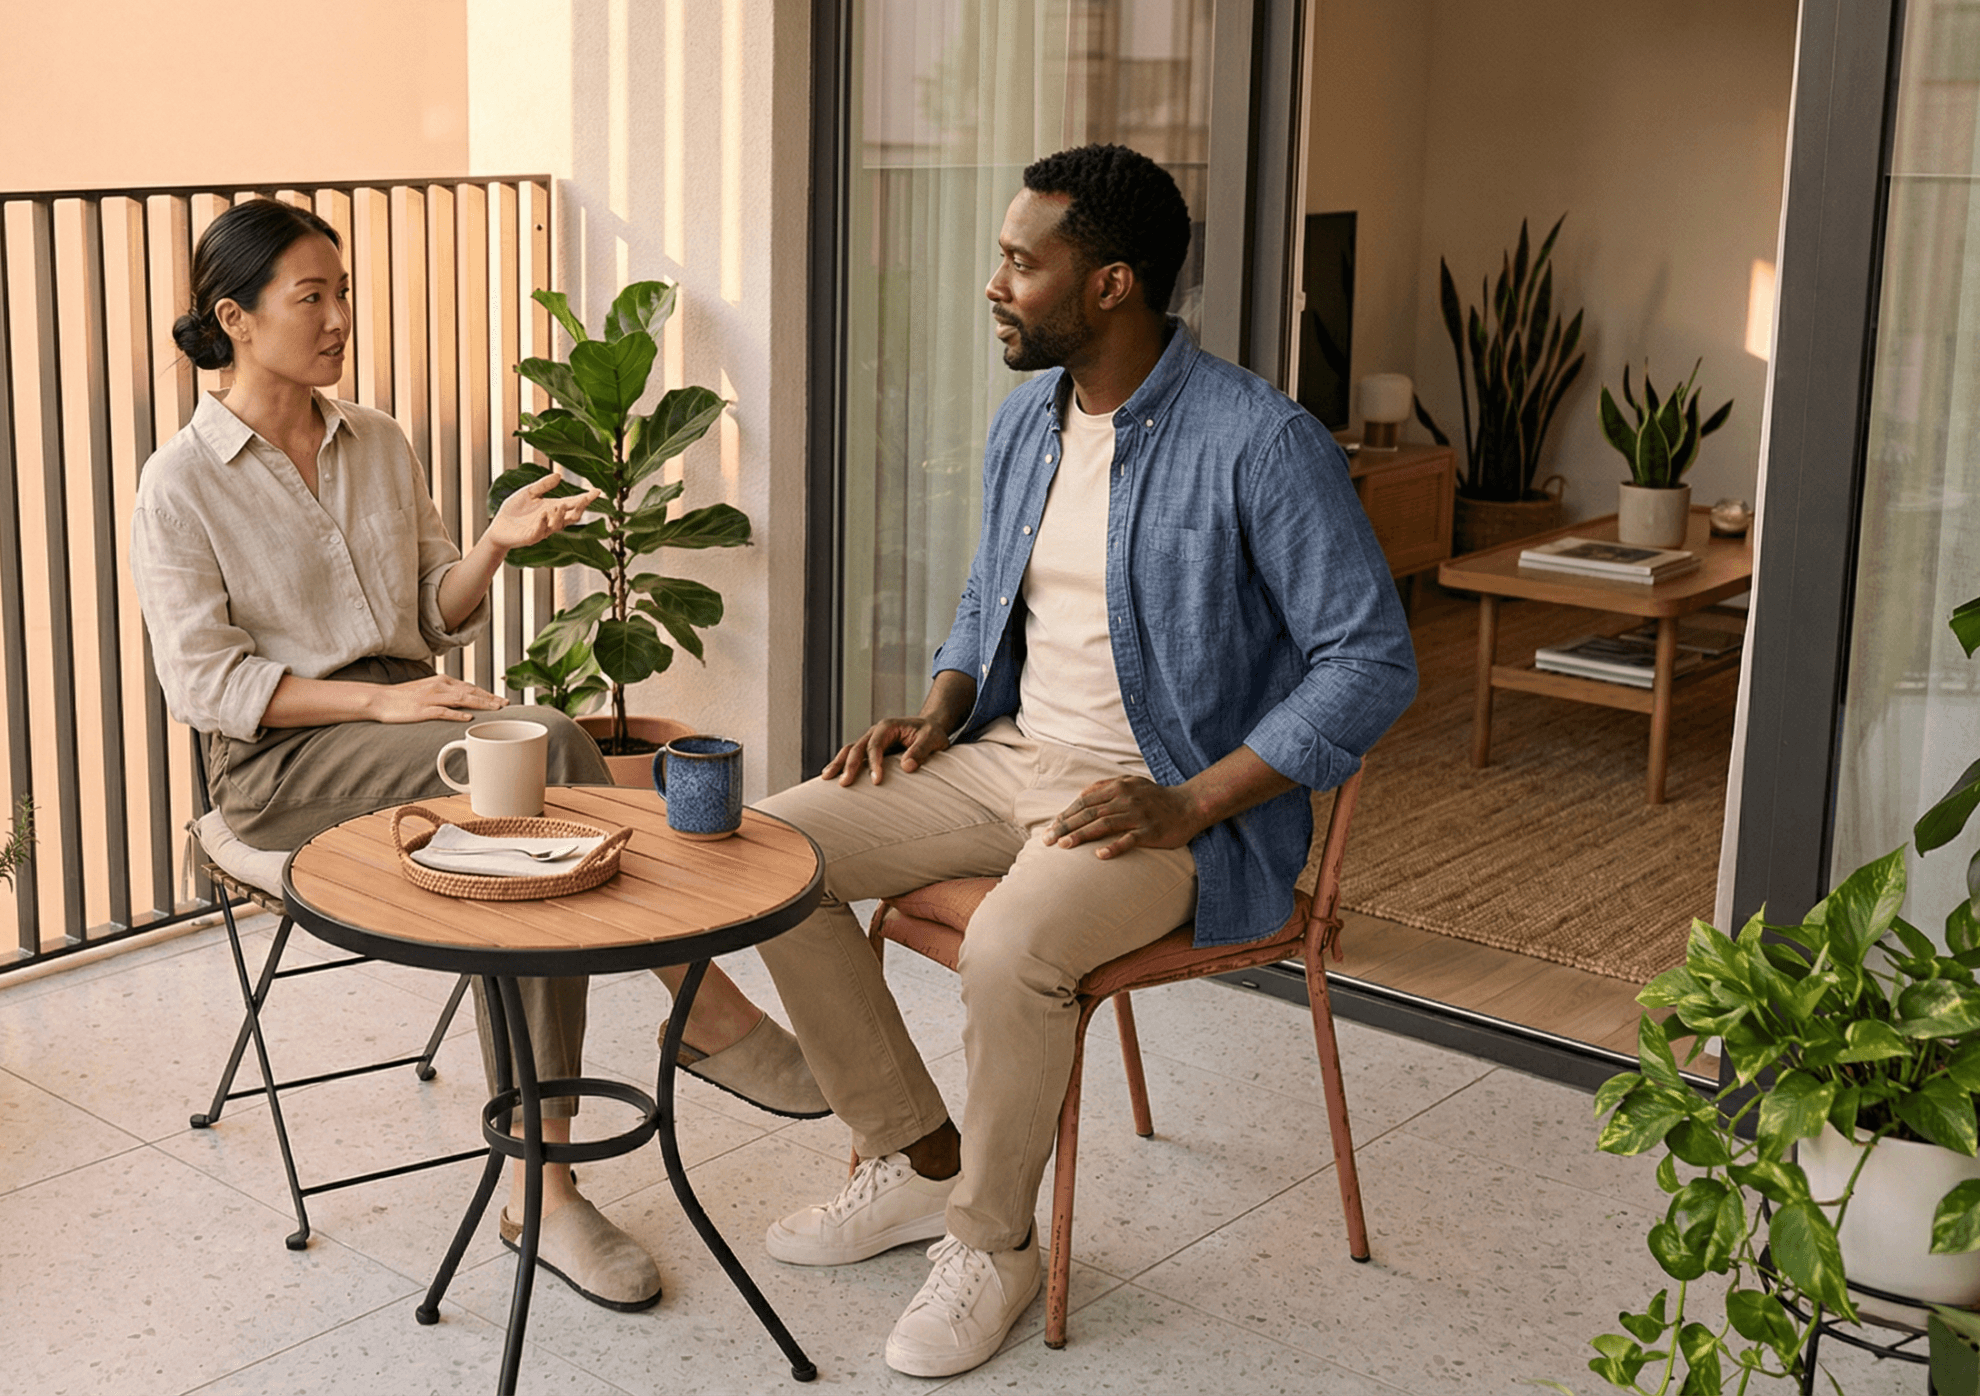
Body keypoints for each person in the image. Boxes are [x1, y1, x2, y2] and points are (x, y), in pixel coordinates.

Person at [749, 145, 1418, 1377]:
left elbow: (1369, 663)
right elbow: (989, 590)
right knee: (768, 855)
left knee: (1010, 947)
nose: (994, 283)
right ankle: (914, 1155)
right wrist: (944, 702)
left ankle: (993, 1247)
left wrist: (1188, 800)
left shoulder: (1260, 444)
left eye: (1021, 260)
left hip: (1166, 808)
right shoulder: (1027, 419)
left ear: (1110, 283)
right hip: (1004, 757)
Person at [129, 199, 825, 1314]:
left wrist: (493, 547)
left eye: (342, 292)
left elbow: (432, 613)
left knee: (526, 846)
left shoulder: (377, 441)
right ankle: (696, 1001)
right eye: (312, 296)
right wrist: (390, 711)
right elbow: (206, 686)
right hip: (275, 770)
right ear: (235, 317)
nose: (338, 316)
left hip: (402, 730)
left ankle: (539, 1188)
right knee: (539, 743)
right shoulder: (180, 483)